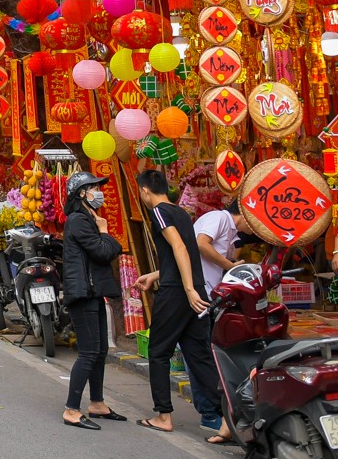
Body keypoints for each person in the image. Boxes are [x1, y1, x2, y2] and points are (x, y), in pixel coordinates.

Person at [135, 168, 225, 439]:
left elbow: (180, 248)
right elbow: (182, 256)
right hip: (196, 290)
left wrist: (185, 289)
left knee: (158, 351)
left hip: (179, 293)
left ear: (145, 191)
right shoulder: (182, 213)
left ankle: (163, 415)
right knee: (199, 356)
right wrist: (155, 275)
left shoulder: (159, 211)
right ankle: (226, 419)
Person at [59, 172, 124, 429]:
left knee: (100, 351)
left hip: (92, 291)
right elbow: (102, 251)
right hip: (83, 293)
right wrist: (105, 232)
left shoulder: (88, 218)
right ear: (81, 194)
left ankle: (97, 403)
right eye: (94, 188)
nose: (99, 192)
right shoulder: (78, 220)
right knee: (88, 353)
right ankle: (71, 410)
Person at [193, 198, 247, 295]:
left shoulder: (232, 232)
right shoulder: (220, 217)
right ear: (245, 213)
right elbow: (201, 243)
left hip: (209, 290)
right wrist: (229, 266)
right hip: (200, 290)